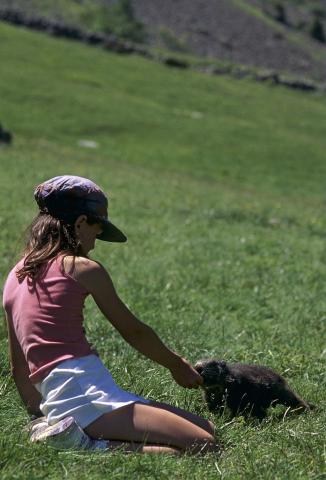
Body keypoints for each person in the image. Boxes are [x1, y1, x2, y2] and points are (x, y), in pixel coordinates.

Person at [3, 175, 217, 455]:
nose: (95, 240)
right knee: (204, 446)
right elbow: (133, 331)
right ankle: (87, 446)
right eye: (97, 227)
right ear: (80, 223)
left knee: (206, 428)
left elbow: (20, 367)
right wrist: (177, 365)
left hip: (66, 397)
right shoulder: (81, 268)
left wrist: (40, 416)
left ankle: (70, 435)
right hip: (85, 395)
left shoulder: (15, 276)